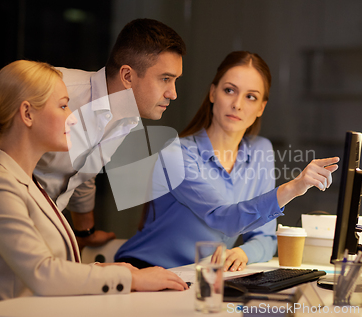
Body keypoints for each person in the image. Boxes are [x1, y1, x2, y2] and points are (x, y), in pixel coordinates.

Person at [0, 18, 185, 314]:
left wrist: (84, 230)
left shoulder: (127, 118)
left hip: (39, 209)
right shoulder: (54, 88)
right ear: (128, 76)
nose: (173, 93)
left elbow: (81, 174)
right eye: (166, 79)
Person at [115, 51, 339, 271]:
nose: (237, 104)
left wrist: (243, 253)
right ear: (213, 93)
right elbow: (222, 217)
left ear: (261, 107)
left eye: (250, 96)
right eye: (229, 90)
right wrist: (292, 188)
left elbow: (265, 237)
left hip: (201, 278)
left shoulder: (261, 150)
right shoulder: (176, 153)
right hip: (146, 270)